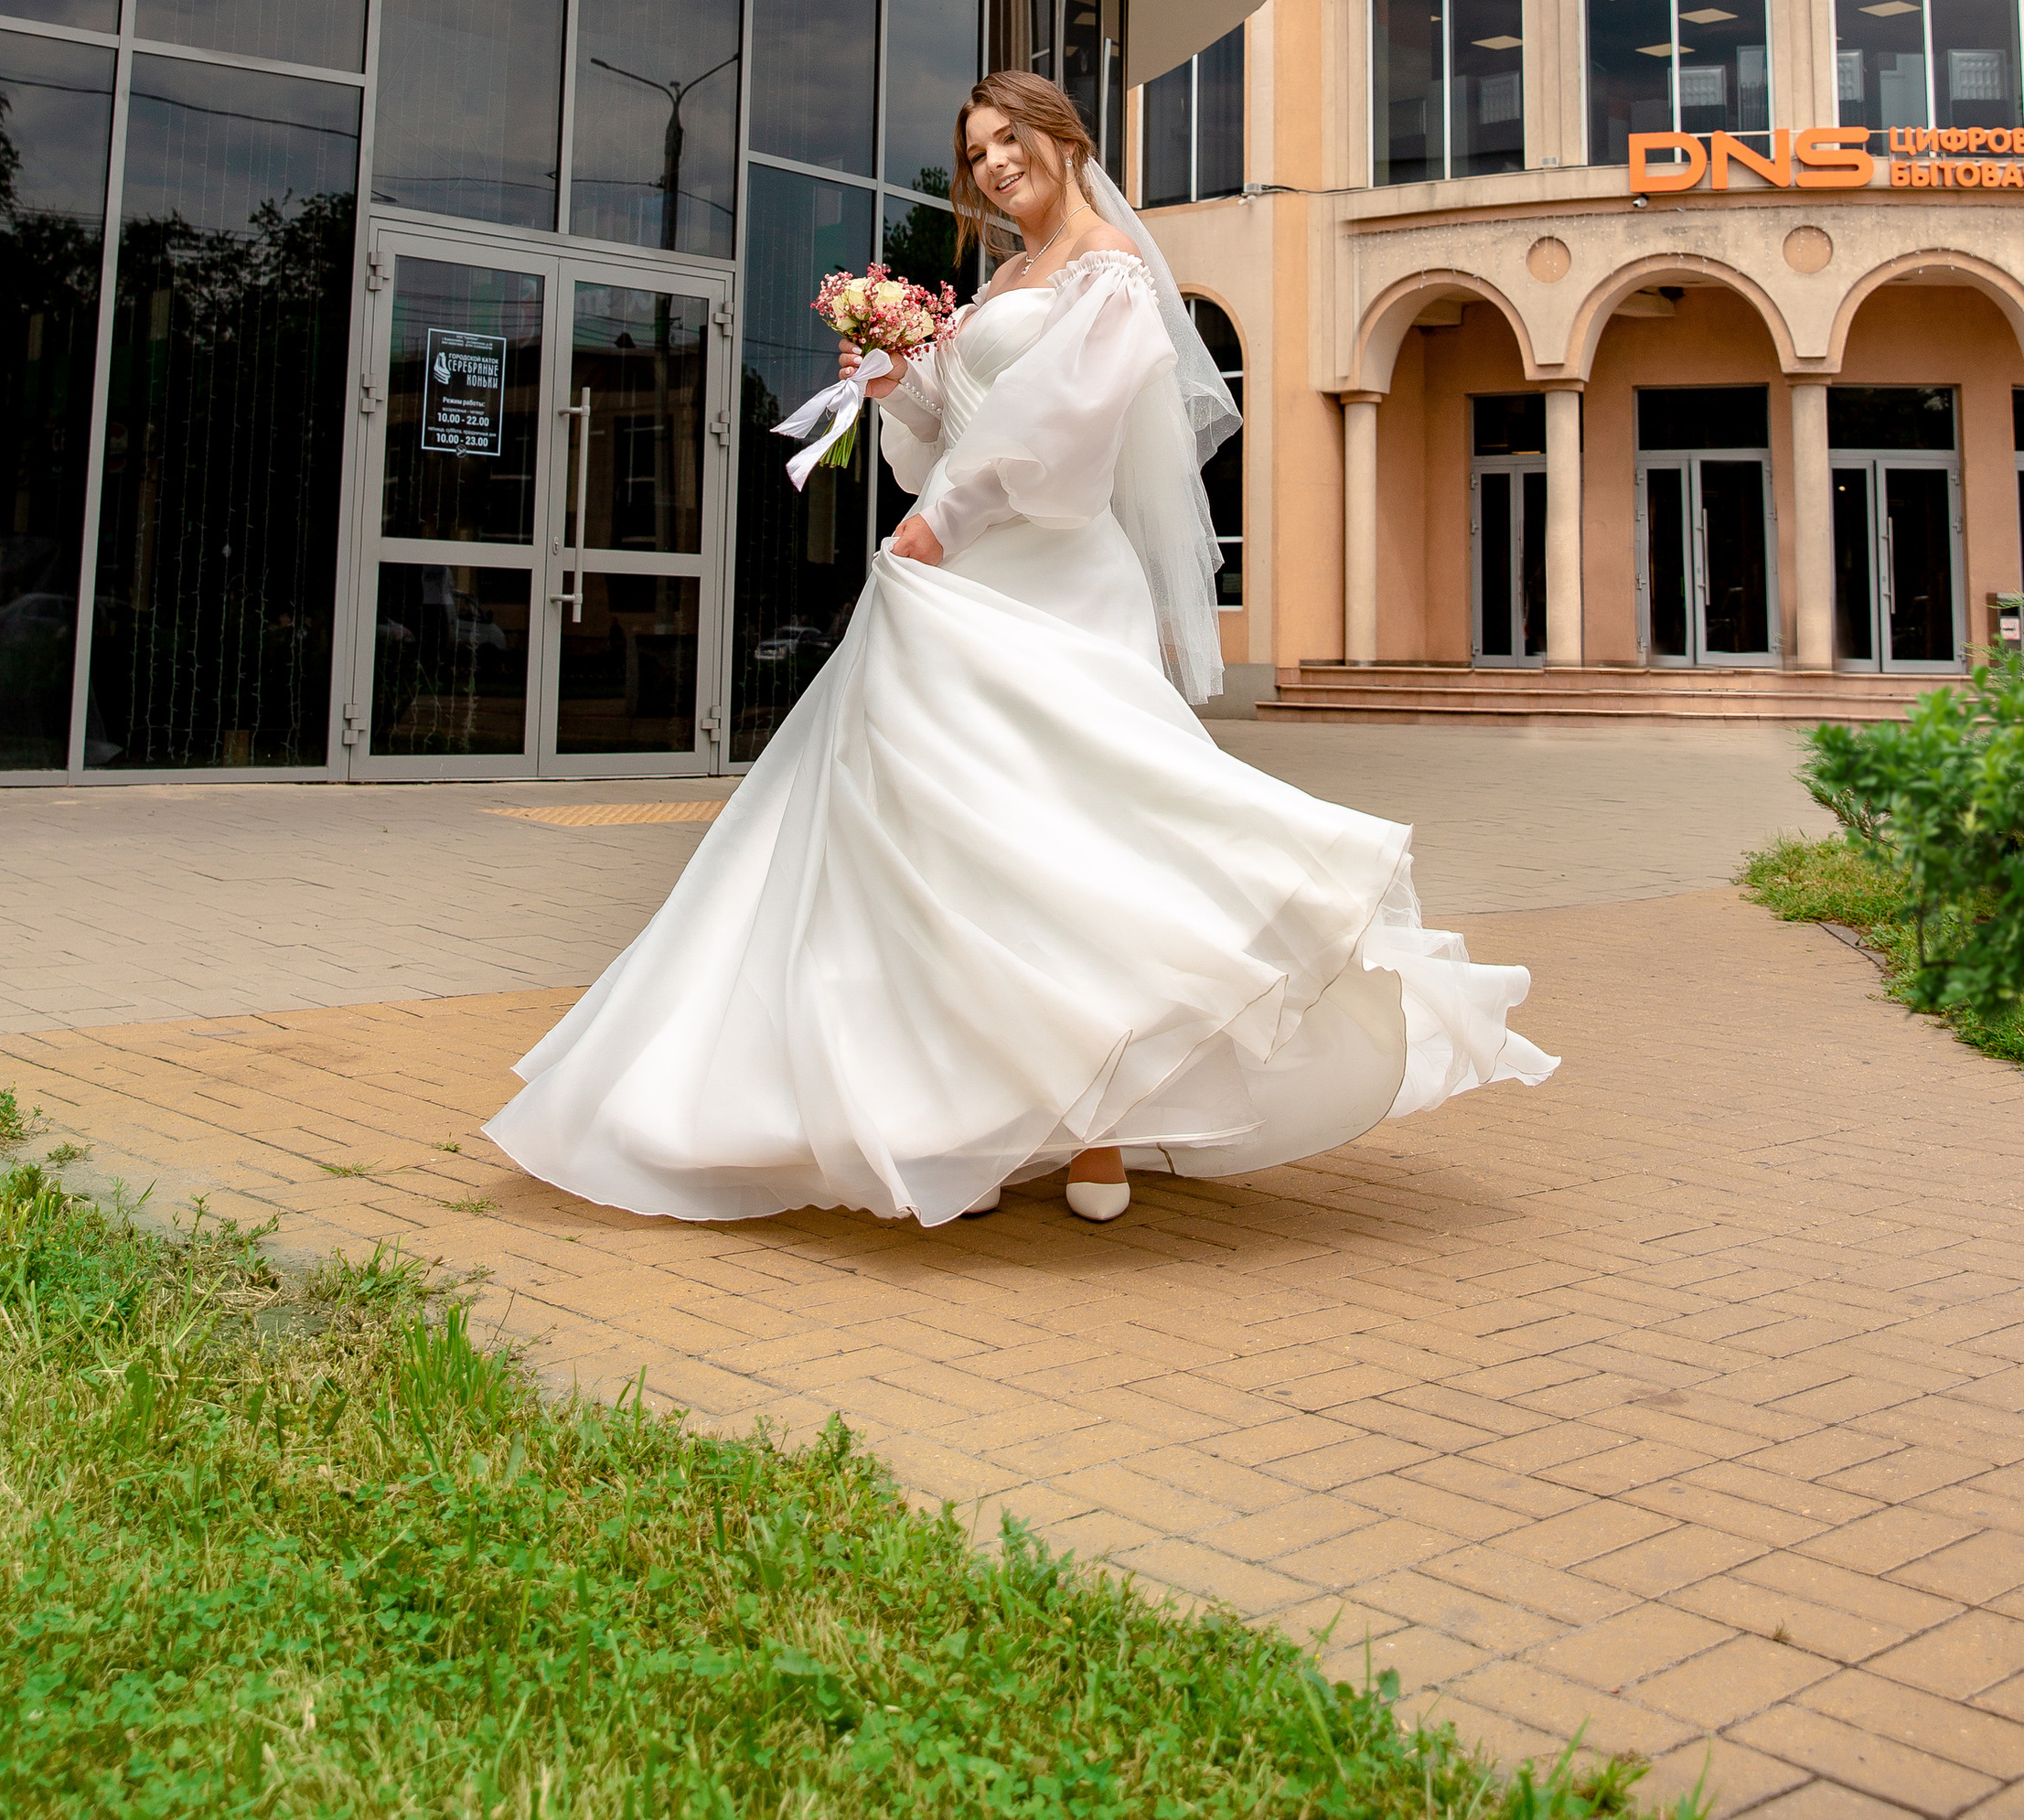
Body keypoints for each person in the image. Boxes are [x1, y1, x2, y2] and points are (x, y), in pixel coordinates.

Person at [486, 70, 1552, 1227]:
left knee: (1072, 834)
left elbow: (1064, 429)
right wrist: (897, 382)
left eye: (1010, 139)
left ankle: (1098, 1132)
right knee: (933, 844)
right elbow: (947, 428)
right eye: (977, 148)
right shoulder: (1004, 277)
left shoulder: (1111, 271)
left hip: (1037, 572)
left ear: (1062, 139)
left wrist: (946, 517)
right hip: (948, 565)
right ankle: (965, 1122)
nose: (994, 163)